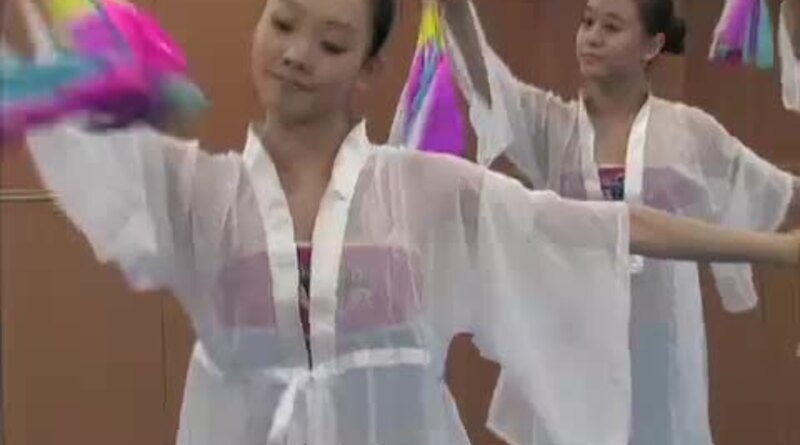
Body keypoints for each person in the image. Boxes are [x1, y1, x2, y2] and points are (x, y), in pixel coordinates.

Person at [8, 0, 800, 444]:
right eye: (282, 24)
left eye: (331, 43)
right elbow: (79, 130)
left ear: (370, 69)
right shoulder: (197, 195)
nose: (297, 54)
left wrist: (775, 248)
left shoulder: (425, 191)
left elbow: (606, 228)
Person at [441, 0, 800, 444]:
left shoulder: (689, 133)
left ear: (652, 45)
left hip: (663, 356)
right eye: (587, 22)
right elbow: (484, 76)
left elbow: (775, 190)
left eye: (611, 27)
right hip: (576, 356)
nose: (592, 37)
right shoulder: (551, 127)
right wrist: (455, 10)